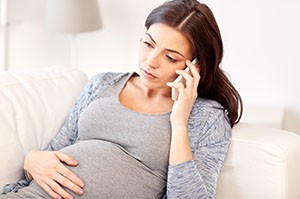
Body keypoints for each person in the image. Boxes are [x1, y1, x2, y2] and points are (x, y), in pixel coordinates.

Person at [1, 0, 242, 198]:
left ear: (196, 66)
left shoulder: (206, 117)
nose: (151, 61)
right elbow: (54, 152)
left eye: (170, 57)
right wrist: (32, 159)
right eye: (149, 44)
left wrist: (179, 121)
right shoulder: (103, 83)